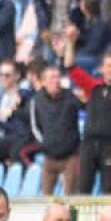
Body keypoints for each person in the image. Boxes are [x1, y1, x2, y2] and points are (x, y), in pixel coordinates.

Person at [66, 48, 111, 195]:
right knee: (83, 188)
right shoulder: (93, 86)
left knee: (109, 189)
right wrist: (71, 42)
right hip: (88, 144)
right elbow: (71, 67)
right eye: (108, 66)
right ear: (102, 68)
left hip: (110, 146)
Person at [27, 62, 82, 193]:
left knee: (71, 198)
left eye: (58, 77)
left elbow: (83, 113)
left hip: (71, 156)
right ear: (43, 81)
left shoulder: (71, 97)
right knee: (46, 199)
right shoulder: (36, 100)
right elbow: (35, 126)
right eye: (51, 77)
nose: (56, 81)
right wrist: (45, 143)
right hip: (49, 156)